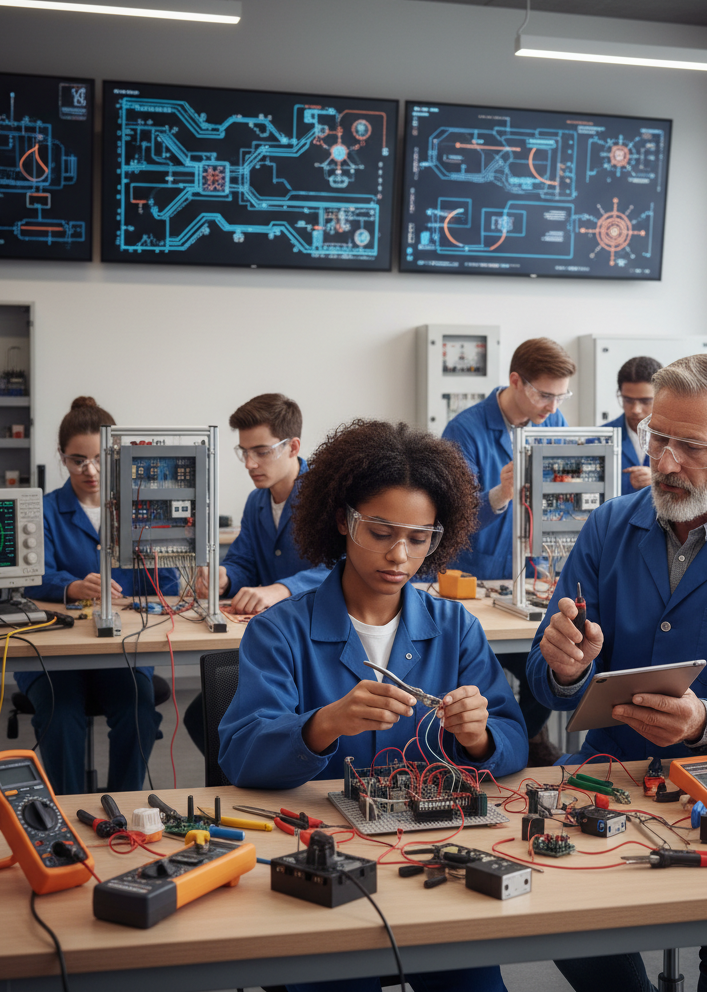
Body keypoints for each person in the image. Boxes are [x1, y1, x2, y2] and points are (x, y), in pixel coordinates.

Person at [525, 354, 707, 992]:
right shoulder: (610, 525)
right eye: (658, 438)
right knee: (568, 921)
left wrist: (706, 722)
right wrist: (567, 670)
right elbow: (545, 675)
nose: (664, 462)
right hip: (610, 774)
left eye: (691, 446)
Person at [219, 419, 525, 992]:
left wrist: (479, 736)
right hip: (325, 869)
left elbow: (511, 738)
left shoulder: (455, 627)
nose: (400, 555)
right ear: (342, 520)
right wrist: (324, 724)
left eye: (419, 538)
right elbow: (240, 753)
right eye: (380, 532)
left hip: (436, 862)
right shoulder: (281, 630)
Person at [20, 396, 177, 794]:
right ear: (62, 457)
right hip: (53, 654)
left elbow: (166, 586)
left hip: (118, 649)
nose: (89, 470)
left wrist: (177, 558)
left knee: (138, 707)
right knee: (61, 713)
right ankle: (70, 815)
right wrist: (71, 587)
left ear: (117, 454)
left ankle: (121, 808)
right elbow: (29, 578)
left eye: (98, 459)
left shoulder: (140, 509)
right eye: (77, 460)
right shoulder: (43, 509)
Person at [441, 336, 576, 758]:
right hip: (474, 580)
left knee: (552, 667)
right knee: (472, 678)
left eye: (560, 396)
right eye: (544, 395)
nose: (552, 407)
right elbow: (453, 521)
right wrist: (500, 493)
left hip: (530, 574)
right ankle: (501, 742)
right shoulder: (464, 430)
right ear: (516, 381)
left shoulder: (552, 425)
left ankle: (521, 738)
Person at [187, 394, 329, 753]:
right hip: (275, 638)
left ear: (293, 446)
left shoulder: (326, 496)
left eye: (261, 451)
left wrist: (281, 588)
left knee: (214, 715)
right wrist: (224, 577)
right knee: (200, 716)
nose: (250, 463)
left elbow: (343, 567)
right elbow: (244, 563)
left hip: (318, 644)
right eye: (244, 452)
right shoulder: (257, 501)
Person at [605, 355, 662, 495]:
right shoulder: (599, 439)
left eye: (646, 401)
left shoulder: (680, 440)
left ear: (662, 396)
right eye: (628, 400)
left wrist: (660, 481)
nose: (636, 410)